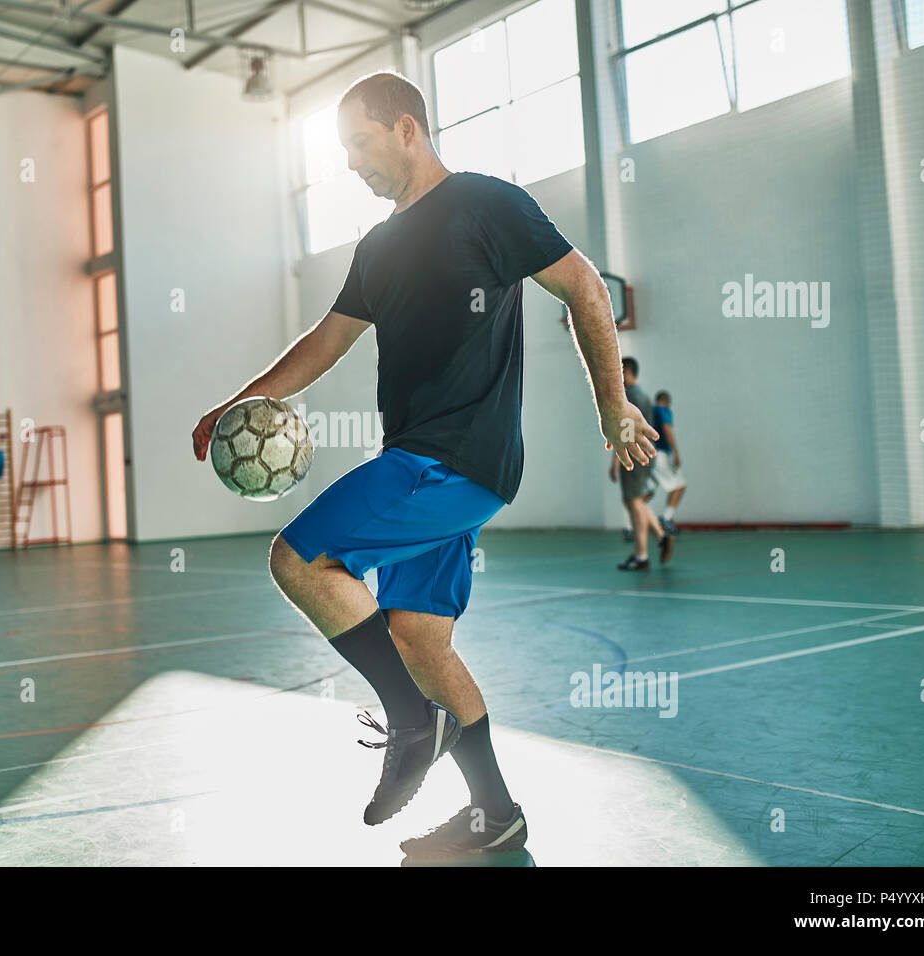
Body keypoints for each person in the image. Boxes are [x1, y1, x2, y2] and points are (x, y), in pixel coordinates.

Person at [191, 72, 657, 858]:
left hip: (458, 458)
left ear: (407, 129)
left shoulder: (486, 204)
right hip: (420, 460)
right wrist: (236, 403)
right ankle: (496, 813)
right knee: (419, 640)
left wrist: (612, 406)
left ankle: (411, 721)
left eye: (359, 144)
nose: (349, 164)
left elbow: (583, 289)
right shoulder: (377, 247)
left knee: (298, 559)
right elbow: (325, 342)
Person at [609, 357, 672, 569]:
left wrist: (617, 462)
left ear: (626, 371)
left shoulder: (629, 397)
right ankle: (661, 537)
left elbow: (623, 432)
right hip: (643, 456)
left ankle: (641, 556)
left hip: (634, 457)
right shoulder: (643, 396)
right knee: (634, 501)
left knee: (634, 501)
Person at [649, 390, 687, 534]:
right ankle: (666, 518)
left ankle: (631, 521)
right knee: (679, 486)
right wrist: (676, 453)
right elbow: (667, 429)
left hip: (650, 455)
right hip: (660, 456)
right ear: (666, 401)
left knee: (648, 491)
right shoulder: (662, 410)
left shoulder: (650, 412)